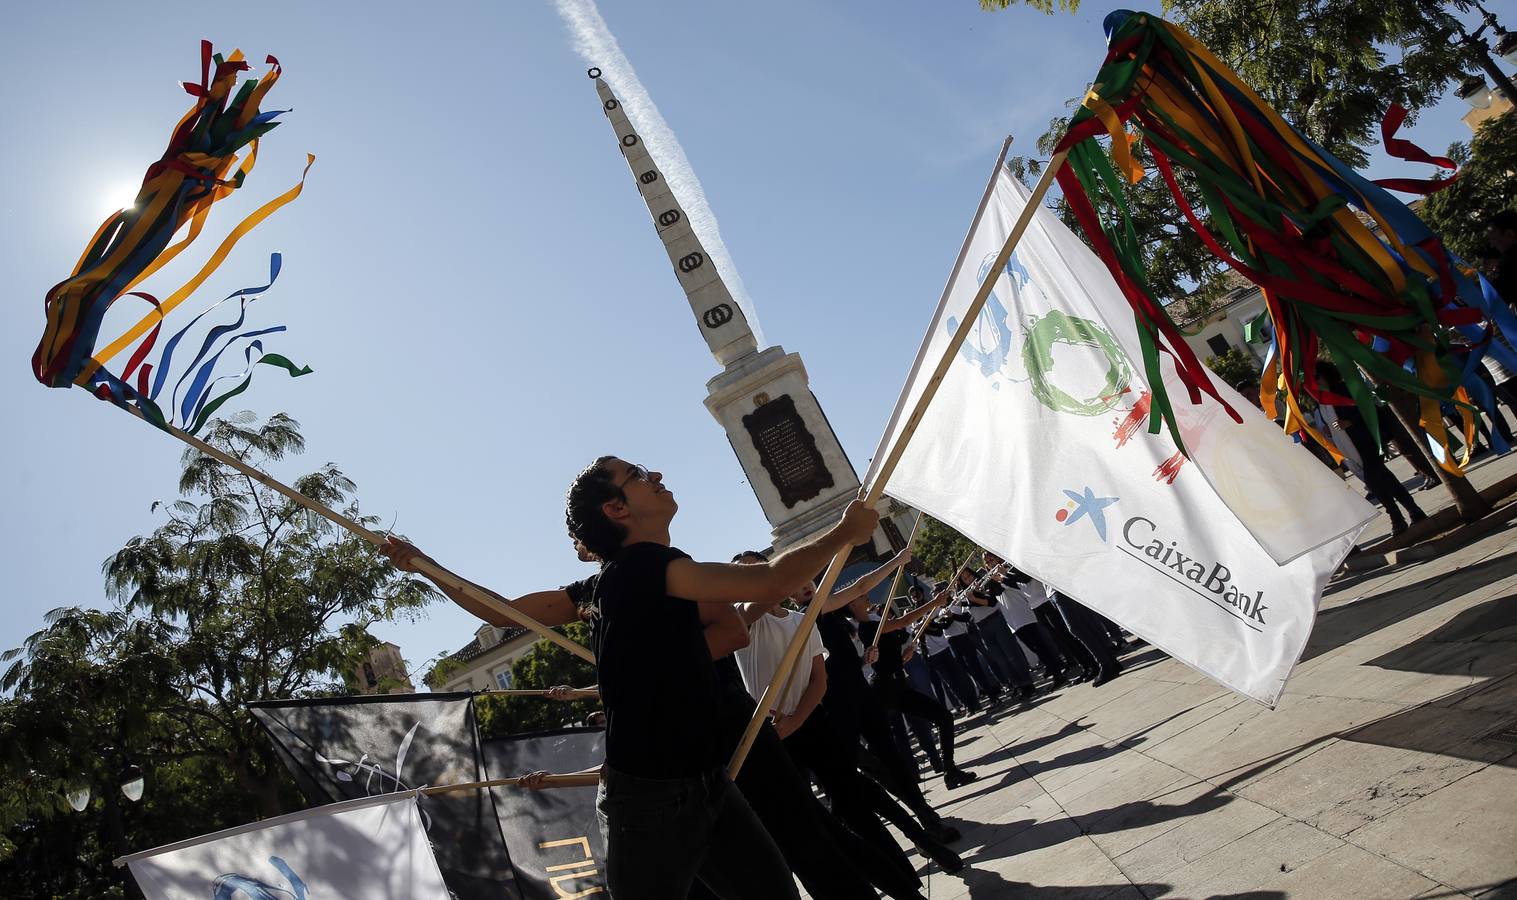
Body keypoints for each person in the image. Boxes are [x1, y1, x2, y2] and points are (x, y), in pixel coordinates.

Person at [390, 457, 879, 899]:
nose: (658, 475)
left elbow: (501, 613)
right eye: (638, 476)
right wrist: (843, 532)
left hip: (702, 783)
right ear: (617, 509)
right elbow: (770, 581)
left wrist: (426, 567)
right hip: (650, 802)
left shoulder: (605, 585)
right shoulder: (649, 568)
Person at [732, 578, 965, 876]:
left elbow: (833, 659)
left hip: (856, 698)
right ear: (789, 593)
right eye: (797, 582)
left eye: (809, 581)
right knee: (855, 782)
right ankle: (900, 835)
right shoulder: (802, 616)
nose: (804, 586)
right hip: (830, 711)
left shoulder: (821, 618)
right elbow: (856, 591)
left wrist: (862, 660)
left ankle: (923, 821)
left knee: (880, 767)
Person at [857, 593, 980, 789]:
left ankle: (950, 769)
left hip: (899, 686)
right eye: (860, 596)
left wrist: (903, 657)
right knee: (881, 746)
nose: (866, 597)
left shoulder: (875, 621)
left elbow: (888, 656)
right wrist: (934, 603)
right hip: (883, 690)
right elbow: (903, 621)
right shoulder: (867, 626)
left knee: (944, 718)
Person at [1319, 365, 1428, 536]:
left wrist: (1351, 421)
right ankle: (1414, 510)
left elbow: (1366, 407)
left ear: (1326, 376)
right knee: (1385, 479)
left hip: (1367, 440)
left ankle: (1396, 517)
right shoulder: (1322, 402)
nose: (1315, 383)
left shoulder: (1342, 389)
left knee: (1373, 482)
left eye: (1317, 378)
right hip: (1353, 449)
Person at [983, 552, 1074, 688]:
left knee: (1042, 644)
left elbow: (1016, 584)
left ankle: (1058, 672)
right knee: (1036, 648)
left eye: (992, 559)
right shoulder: (992, 580)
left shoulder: (1006, 569)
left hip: (1025, 614)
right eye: (988, 562)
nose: (991, 563)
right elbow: (991, 598)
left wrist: (1002, 576)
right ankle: (1056, 669)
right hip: (1013, 620)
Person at [955, 563, 1035, 701]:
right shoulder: (965, 594)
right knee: (1000, 659)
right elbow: (967, 615)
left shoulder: (984, 583)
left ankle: (1027, 684)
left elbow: (991, 602)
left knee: (1012, 654)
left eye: (969, 575)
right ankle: (1017, 685)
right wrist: (960, 603)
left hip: (996, 620)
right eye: (965, 579)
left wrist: (974, 598)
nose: (969, 579)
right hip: (982, 627)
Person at [1485, 210, 1517, 308]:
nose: (1492, 244)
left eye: (1493, 239)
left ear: (1509, 234)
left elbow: (1494, 299)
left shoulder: (1508, 263)